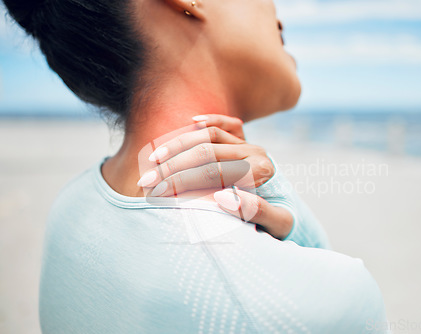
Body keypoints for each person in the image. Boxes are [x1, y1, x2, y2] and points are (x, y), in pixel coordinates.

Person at [3, 0, 389, 332]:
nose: (279, 12)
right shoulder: (322, 300)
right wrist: (299, 224)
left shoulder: (69, 209)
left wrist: (281, 204)